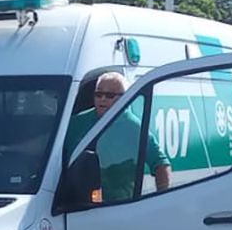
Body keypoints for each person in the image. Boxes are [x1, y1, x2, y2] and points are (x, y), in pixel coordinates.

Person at [63, 72, 170, 205]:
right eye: (98, 94)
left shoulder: (134, 127)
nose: (102, 99)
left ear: (125, 98)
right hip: (75, 204)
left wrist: (162, 201)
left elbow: (161, 164)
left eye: (109, 95)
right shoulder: (76, 122)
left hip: (118, 207)